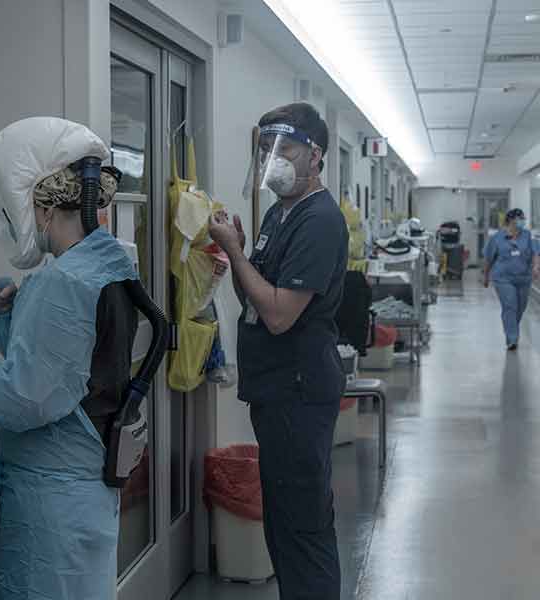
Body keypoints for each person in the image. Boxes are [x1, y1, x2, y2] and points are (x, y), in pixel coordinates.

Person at [0, 117, 139, 600]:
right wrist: (12, 315)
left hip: (53, 511)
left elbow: (26, 398)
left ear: (41, 204)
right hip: (82, 498)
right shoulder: (107, 262)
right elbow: (68, 370)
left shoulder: (63, 281)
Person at [209, 102, 348, 600]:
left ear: (315, 156)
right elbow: (255, 296)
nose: (274, 158)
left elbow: (279, 313)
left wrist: (237, 253)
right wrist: (242, 256)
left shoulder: (319, 221)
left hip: (299, 393)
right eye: (266, 148)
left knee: (304, 528)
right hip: (277, 392)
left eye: (285, 148)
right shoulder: (279, 212)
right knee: (284, 526)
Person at [483, 208, 540, 350]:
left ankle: (511, 329)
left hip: (523, 278)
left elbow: (535, 253)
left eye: (523, 219)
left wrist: (535, 267)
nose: (522, 221)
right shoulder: (497, 238)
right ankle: (512, 338)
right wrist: (486, 276)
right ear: (510, 221)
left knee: (520, 308)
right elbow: (489, 259)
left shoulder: (527, 236)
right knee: (510, 306)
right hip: (503, 278)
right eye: (519, 219)